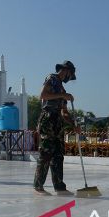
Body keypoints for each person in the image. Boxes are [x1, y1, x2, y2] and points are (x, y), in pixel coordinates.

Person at [34, 61, 78, 196]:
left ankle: (59, 186)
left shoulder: (63, 90)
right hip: (48, 120)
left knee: (58, 155)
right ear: (66, 70)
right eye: (70, 76)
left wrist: (73, 124)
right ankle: (38, 186)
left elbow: (64, 112)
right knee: (46, 153)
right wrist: (62, 96)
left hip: (58, 123)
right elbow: (43, 95)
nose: (69, 79)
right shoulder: (52, 79)